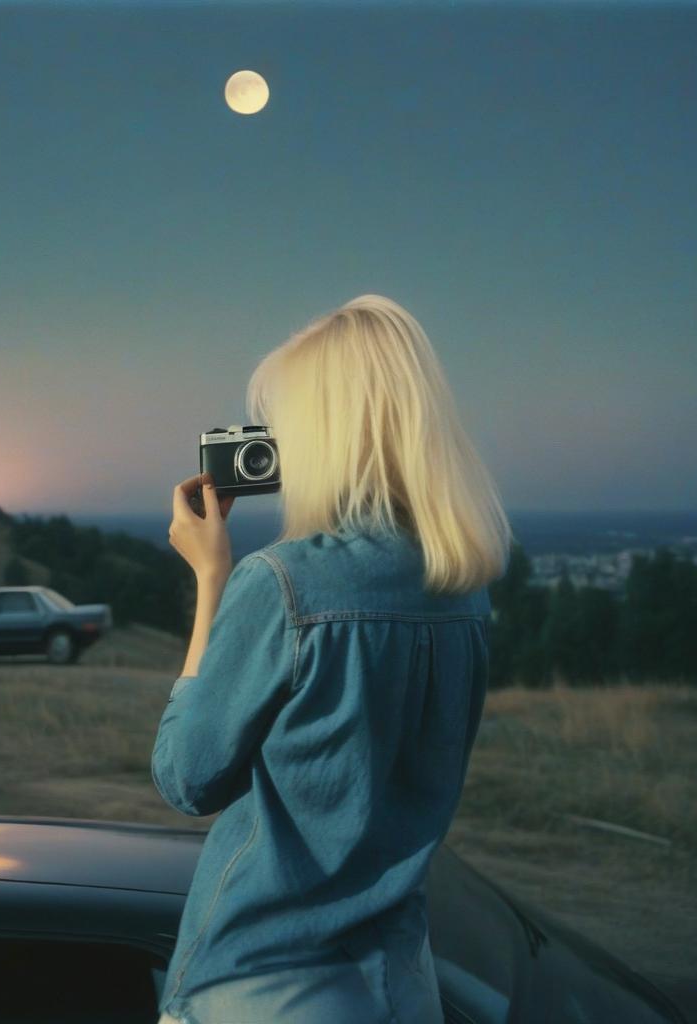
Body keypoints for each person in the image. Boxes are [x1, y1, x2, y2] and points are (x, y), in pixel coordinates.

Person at [153, 294, 511, 1024]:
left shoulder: (285, 583)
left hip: (267, 982)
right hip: (401, 977)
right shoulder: (465, 591)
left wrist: (211, 580)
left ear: (326, 434)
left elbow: (186, 777)